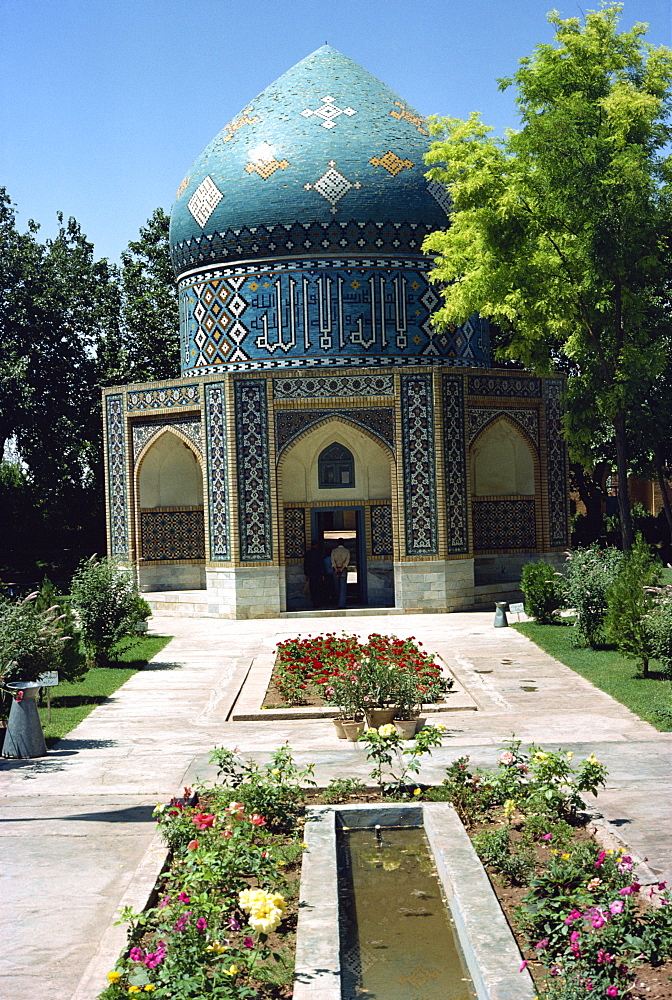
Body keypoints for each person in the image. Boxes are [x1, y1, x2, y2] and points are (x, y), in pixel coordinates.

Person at [303, 540, 324, 608]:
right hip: (318, 574)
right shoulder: (319, 553)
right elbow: (321, 564)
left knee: (312, 589)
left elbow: (305, 564)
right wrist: (322, 573)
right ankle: (318, 602)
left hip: (311, 574)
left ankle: (314, 603)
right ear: (317, 545)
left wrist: (306, 574)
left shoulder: (308, 553)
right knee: (318, 588)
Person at [330, 538, 350, 609]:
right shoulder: (347, 551)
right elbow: (347, 561)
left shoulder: (334, 551)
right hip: (343, 569)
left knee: (337, 586)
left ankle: (337, 602)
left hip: (335, 570)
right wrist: (341, 569)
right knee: (343, 587)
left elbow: (332, 561)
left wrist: (336, 569)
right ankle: (342, 604)